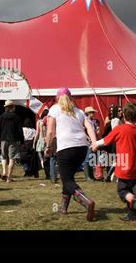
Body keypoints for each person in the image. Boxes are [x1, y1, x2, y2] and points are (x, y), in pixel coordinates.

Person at [92, 103, 136, 225]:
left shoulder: (120, 129)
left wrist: (95, 144)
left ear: (124, 116)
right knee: (131, 189)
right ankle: (133, 217)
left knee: (123, 191)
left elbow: (106, 140)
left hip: (124, 167)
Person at [46, 88, 97, 221]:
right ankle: (64, 207)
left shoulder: (54, 109)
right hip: (82, 148)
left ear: (57, 99)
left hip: (66, 147)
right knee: (68, 177)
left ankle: (86, 200)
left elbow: (50, 131)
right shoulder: (79, 111)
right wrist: (94, 142)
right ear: (70, 98)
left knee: (66, 180)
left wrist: (48, 146)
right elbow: (89, 127)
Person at [0, 100, 24, 183]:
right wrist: (22, 140)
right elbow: (20, 130)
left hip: (3, 139)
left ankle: (4, 172)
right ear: (12, 107)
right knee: (12, 158)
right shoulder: (16, 117)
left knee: (4, 156)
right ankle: (8, 177)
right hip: (13, 139)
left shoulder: (1, 117)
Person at [83, 106, 100, 181]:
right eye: (92, 112)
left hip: (92, 142)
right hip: (87, 142)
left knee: (91, 158)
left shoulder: (91, 121)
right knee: (87, 158)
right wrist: (88, 137)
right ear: (89, 113)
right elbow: (83, 131)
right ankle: (88, 176)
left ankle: (91, 175)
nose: (94, 114)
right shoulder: (85, 121)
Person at [34, 109, 50, 180]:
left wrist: (34, 142)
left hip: (41, 140)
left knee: (42, 158)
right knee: (48, 158)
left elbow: (37, 133)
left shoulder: (39, 122)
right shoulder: (50, 120)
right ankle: (48, 173)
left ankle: (46, 172)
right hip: (49, 140)